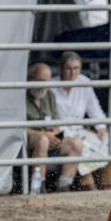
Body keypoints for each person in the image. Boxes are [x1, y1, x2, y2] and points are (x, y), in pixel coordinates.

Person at [52, 51, 111, 189]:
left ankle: (109, 189)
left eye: (76, 68)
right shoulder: (51, 87)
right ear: (60, 69)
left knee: (107, 145)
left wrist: (102, 129)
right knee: (81, 148)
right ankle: (90, 190)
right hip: (60, 133)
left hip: (80, 130)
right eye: (69, 68)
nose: (73, 72)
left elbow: (94, 109)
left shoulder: (84, 82)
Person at [25, 63, 85, 192]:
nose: (44, 86)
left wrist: (57, 136)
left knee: (76, 143)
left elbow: (57, 124)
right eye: (40, 81)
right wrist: (46, 136)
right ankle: (39, 186)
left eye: (47, 81)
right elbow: (17, 128)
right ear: (31, 79)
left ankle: (64, 185)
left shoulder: (50, 95)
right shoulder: (21, 97)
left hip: (50, 138)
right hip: (30, 140)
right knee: (42, 141)